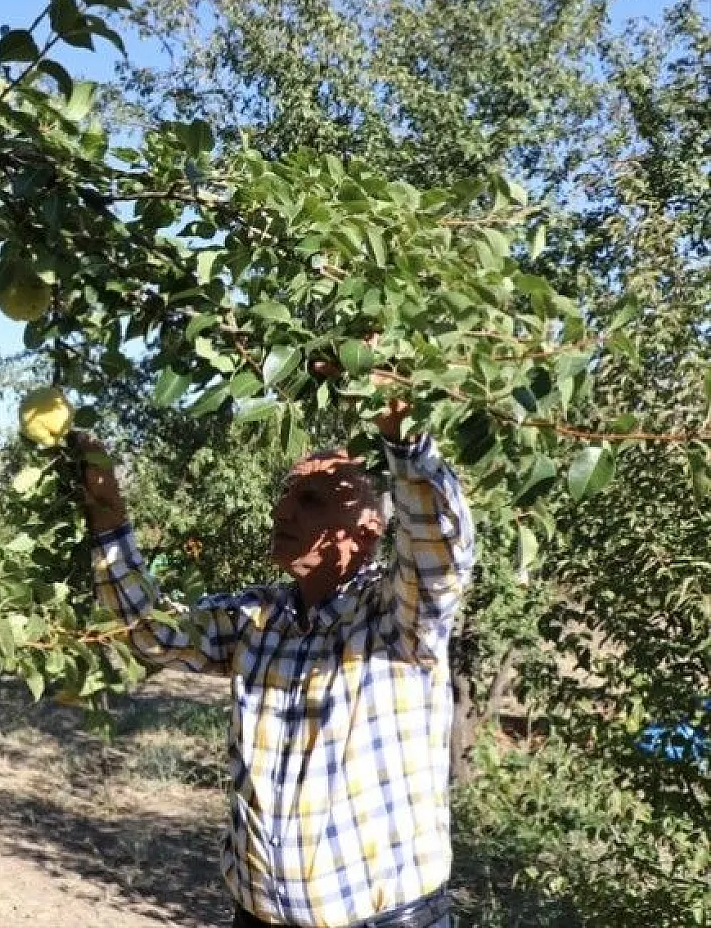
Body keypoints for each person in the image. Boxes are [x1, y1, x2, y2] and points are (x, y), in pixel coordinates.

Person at [75, 384, 474, 928]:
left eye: (310, 500)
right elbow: (154, 633)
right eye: (286, 495)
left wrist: (399, 426)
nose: (283, 509)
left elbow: (440, 544)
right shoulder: (257, 619)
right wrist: (107, 512)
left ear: (369, 529)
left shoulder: (396, 619)